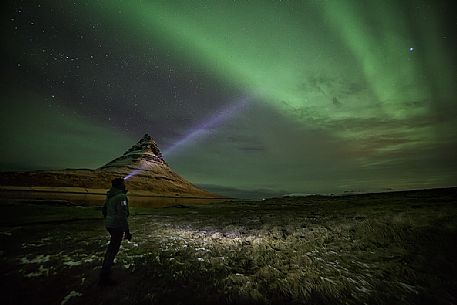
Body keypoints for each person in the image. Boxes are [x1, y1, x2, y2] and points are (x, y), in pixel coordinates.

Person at [99, 177, 132, 286]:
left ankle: (108, 264)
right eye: (123, 184)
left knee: (112, 245)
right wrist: (126, 231)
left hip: (109, 224)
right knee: (113, 248)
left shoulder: (110, 196)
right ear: (120, 185)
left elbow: (104, 210)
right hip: (116, 225)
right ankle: (105, 275)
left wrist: (108, 219)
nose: (124, 186)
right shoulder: (121, 197)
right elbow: (122, 216)